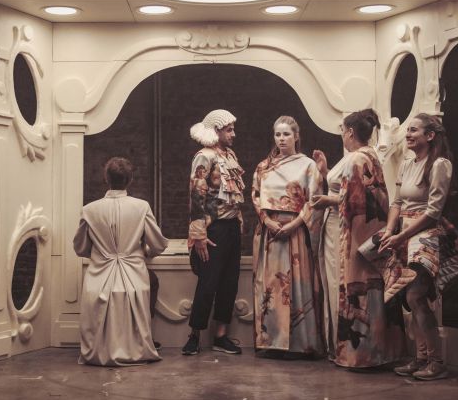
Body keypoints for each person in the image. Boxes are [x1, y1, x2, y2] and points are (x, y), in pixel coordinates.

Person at [359, 113, 458, 380]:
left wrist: (402, 236)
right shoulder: (407, 163)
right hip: (403, 231)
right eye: (408, 130)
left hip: (425, 233)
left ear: (430, 135)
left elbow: (433, 212)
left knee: (416, 296)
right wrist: (390, 231)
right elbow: (397, 202)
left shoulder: (439, 164)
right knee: (409, 298)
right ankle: (421, 357)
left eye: (414, 130)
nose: (408, 134)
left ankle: (436, 361)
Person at [311, 109, 405, 369]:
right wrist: (325, 171)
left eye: (343, 130)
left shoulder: (355, 159)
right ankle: (378, 349)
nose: (342, 135)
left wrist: (327, 200)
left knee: (348, 285)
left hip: (348, 229)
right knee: (361, 284)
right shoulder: (369, 155)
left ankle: (357, 352)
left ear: (350, 132)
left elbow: (353, 201)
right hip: (358, 228)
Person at [73, 157, 168, 366]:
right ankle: (137, 348)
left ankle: (99, 350)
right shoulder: (141, 207)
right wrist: (144, 251)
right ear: (130, 179)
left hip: (99, 275)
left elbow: (80, 248)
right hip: (134, 274)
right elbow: (158, 244)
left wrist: (101, 253)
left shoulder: (89, 209)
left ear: (106, 179)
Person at [251, 115, 325, 357]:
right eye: (278, 134)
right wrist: (267, 221)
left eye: (286, 134)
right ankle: (271, 341)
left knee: (296, 283)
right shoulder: (263, 167)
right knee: (271, 285)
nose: (281, 139)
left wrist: (294, 224)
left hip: (296, 230)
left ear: (296, 136)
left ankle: (300, 344)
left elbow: (314, 200)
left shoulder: (308, 165)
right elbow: (255, 196)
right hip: (270, 232)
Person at [181, 109, 244, 356]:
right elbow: (196, 196)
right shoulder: (204, 156)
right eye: (229, 130)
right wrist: (198, 235)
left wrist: (239, 223)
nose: (233, 134)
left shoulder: (230, 155)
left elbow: (234, 196)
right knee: (208, 283)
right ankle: (194, 335)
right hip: (212, 229)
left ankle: (220, 336)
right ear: (216, 131)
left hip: (232, 227)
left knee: (229, 283)